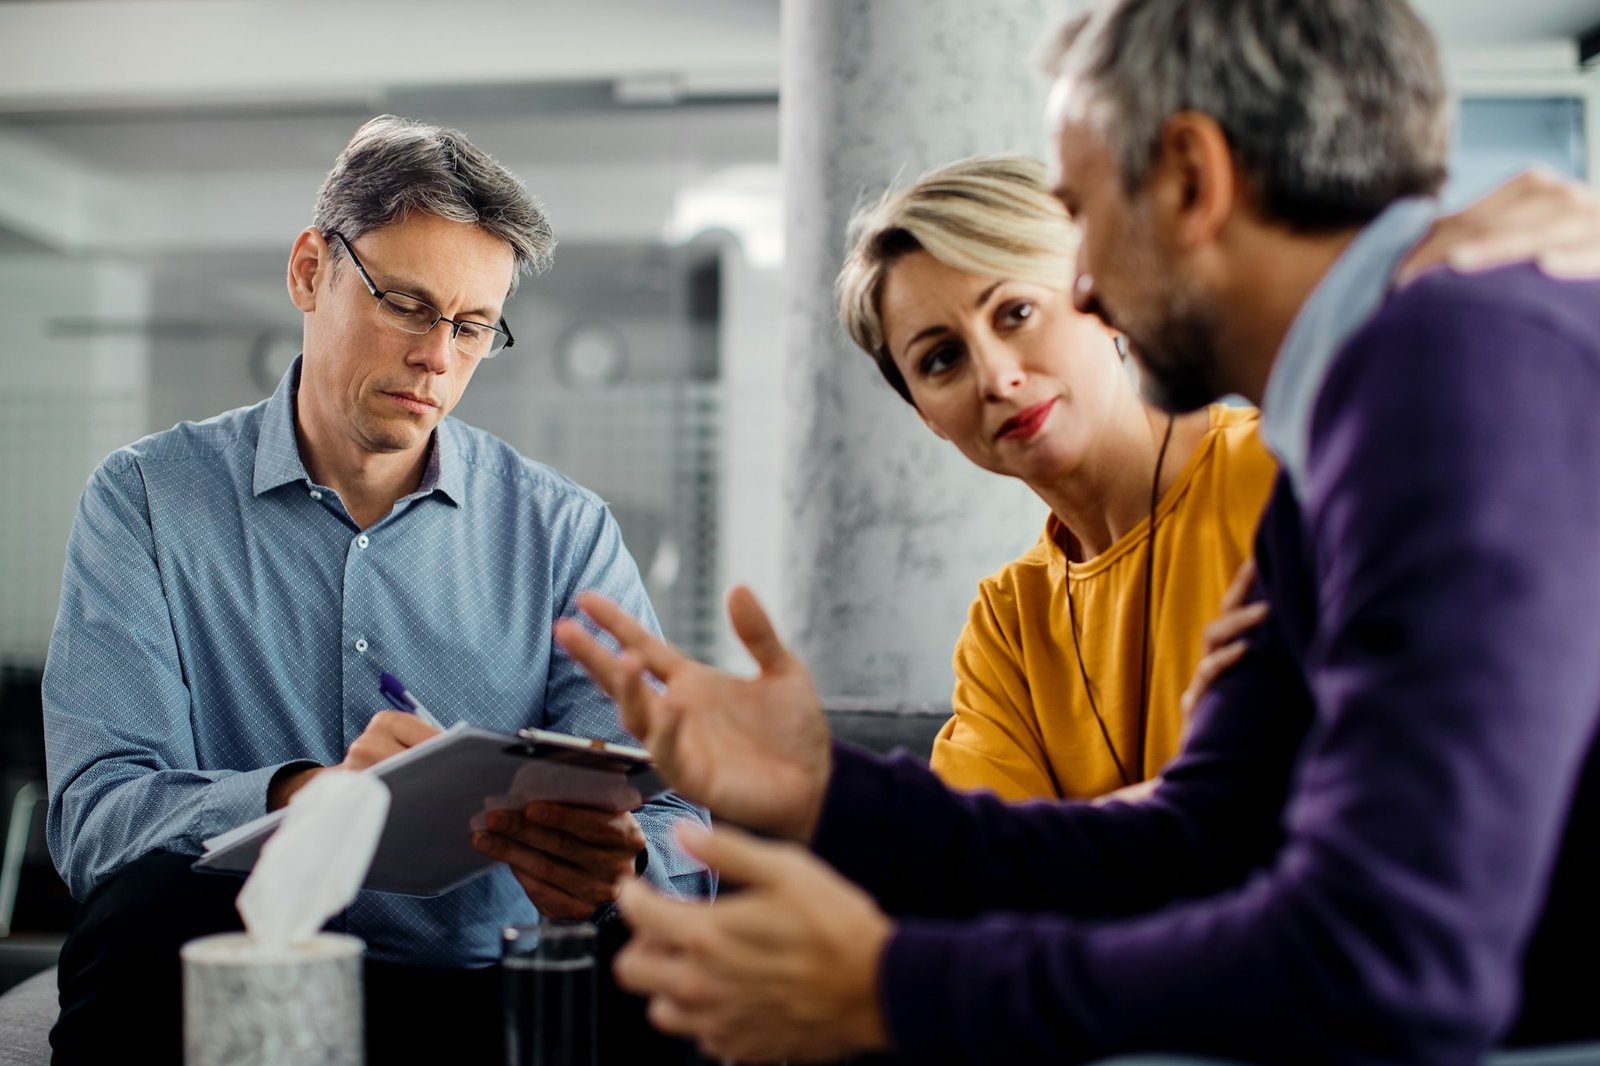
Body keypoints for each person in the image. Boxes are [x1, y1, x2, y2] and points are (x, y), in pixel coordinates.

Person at [552, 2, 1600, 1062]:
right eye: (938, 359)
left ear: (1190, 178)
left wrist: (898, 986)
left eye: (1081, 215)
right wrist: (828, 787)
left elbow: (1390, 956)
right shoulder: (1340, 442)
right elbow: (1195, 842)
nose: (1087, 284)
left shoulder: (1441, 370)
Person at [41, 114, 711, 1064]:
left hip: (488, 986)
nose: (438, 356)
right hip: (248, 972)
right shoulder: (148, 501)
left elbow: (678, 816)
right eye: (406, 302)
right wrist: (308, 800)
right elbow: (99, 815)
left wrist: (624, 860)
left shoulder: (562, 530)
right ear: (309, 271)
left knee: (655, 945)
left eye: (473, 326)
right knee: (140, 913)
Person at [836, 154, 1276, 800]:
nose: (995, 377)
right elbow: (981, 876)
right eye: (942, 359)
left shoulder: (1281, 477)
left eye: (1015, 312)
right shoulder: (1009, 626)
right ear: (927, 416)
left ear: (1105, 296)